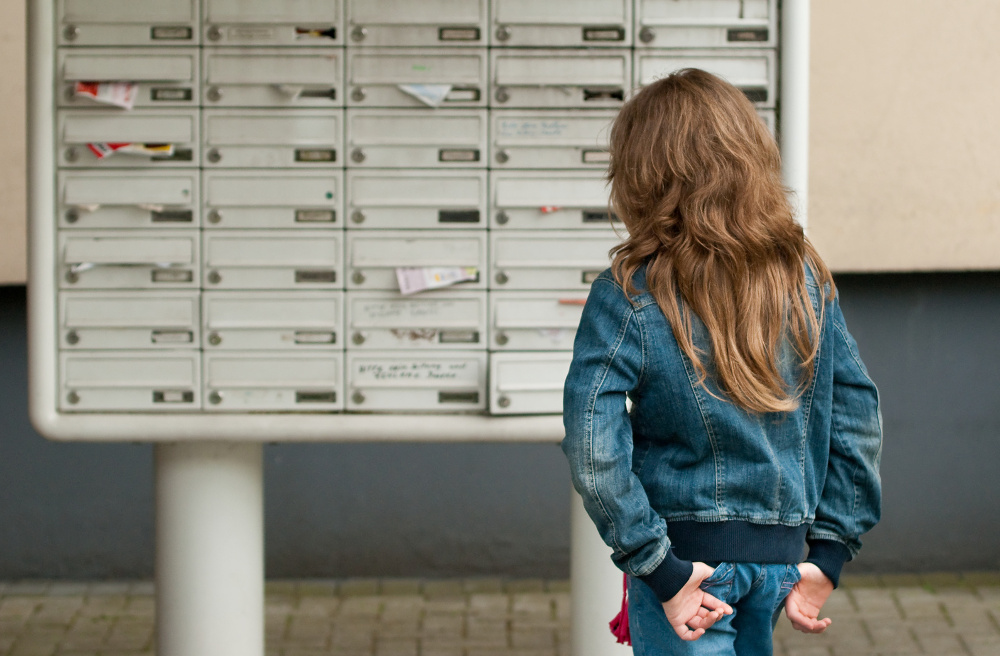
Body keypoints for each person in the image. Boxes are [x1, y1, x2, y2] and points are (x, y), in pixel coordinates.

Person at [561, 68, 882, 656]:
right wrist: (829, 552)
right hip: (780, 561)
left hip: (684, 567)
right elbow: (857, 415)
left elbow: (592, 444)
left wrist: (656, 566)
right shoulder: (802, 278)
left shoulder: (630, 291)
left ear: (640, 175)